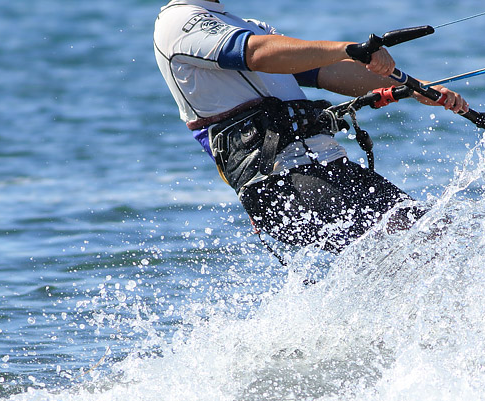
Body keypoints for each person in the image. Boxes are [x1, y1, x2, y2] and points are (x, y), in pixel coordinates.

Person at [153, 0, 468, 255]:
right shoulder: (180, 22)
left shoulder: (246, 25)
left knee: (437, 235)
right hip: (277, 180)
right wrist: (348, 48)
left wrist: (414, 88)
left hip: (327, 167)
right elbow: (256, 53)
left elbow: (327, 71)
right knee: (393, 249)